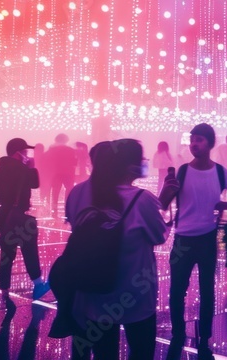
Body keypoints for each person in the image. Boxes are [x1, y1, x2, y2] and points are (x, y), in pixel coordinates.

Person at [67, 139, 168, 360]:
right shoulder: (142, 199)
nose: (145, 163)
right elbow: (159, 235)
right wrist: (165, 202)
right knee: (141, 351)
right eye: (141, 159)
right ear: (128, 165)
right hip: (135, 294)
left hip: (93, 291)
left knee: (104, 354)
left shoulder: (77, 193)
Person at [158, 124, 227, 360]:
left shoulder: (221, 173)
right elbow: (161, 204)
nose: (193, 144)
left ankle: (205, 337)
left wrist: (225, 206)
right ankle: (178, 332)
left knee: (207, 289)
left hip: (208, 238)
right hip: (183, 238)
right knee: (177, 289)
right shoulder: (181, 172)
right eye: (192, 139)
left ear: (210, 144)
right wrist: (168, 190)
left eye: (199, 140)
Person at [0, 138, 50, 302]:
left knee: (7, 254)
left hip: (4, 215)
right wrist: (31, 167)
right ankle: (38, 284)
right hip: (19, 216)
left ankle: (4, 288)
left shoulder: (0, 168)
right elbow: (35, 184)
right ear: (17, 153)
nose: (27, 154)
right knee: (30, 251)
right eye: (25, 151)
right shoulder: (20, 168)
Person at [43, 133, 78, 218]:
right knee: (69, 192)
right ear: (66, 140)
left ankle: (54, 212)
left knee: (55, 193)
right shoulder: (71, 150)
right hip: (68, 174)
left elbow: (47, 161)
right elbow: (74, 162)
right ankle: (68, 210)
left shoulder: (51, 150)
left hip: (56, 174)